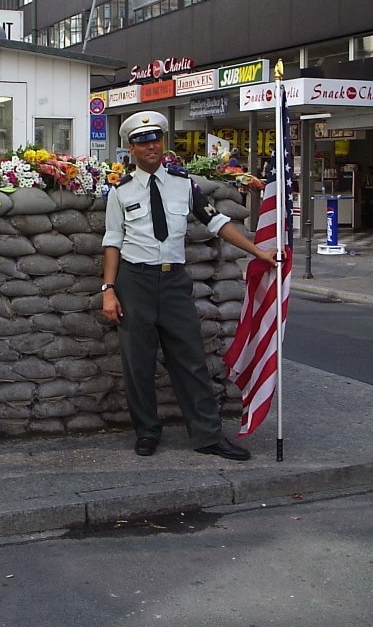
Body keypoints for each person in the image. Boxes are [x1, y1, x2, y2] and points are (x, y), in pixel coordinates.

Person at [102, 111, 278, 461]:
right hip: (134, 281)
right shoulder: (120, 192)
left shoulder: (184, 184)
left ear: (163, 144)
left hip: (173, 280)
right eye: (142, 142)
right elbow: (113, 241)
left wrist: (259, 251)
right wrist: (108, 290)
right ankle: (147, 432)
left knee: (191, 359)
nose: (151, 146)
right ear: (131, 149)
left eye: (155, 139)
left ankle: (207, 435)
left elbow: (218, 222)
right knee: (138, 363)